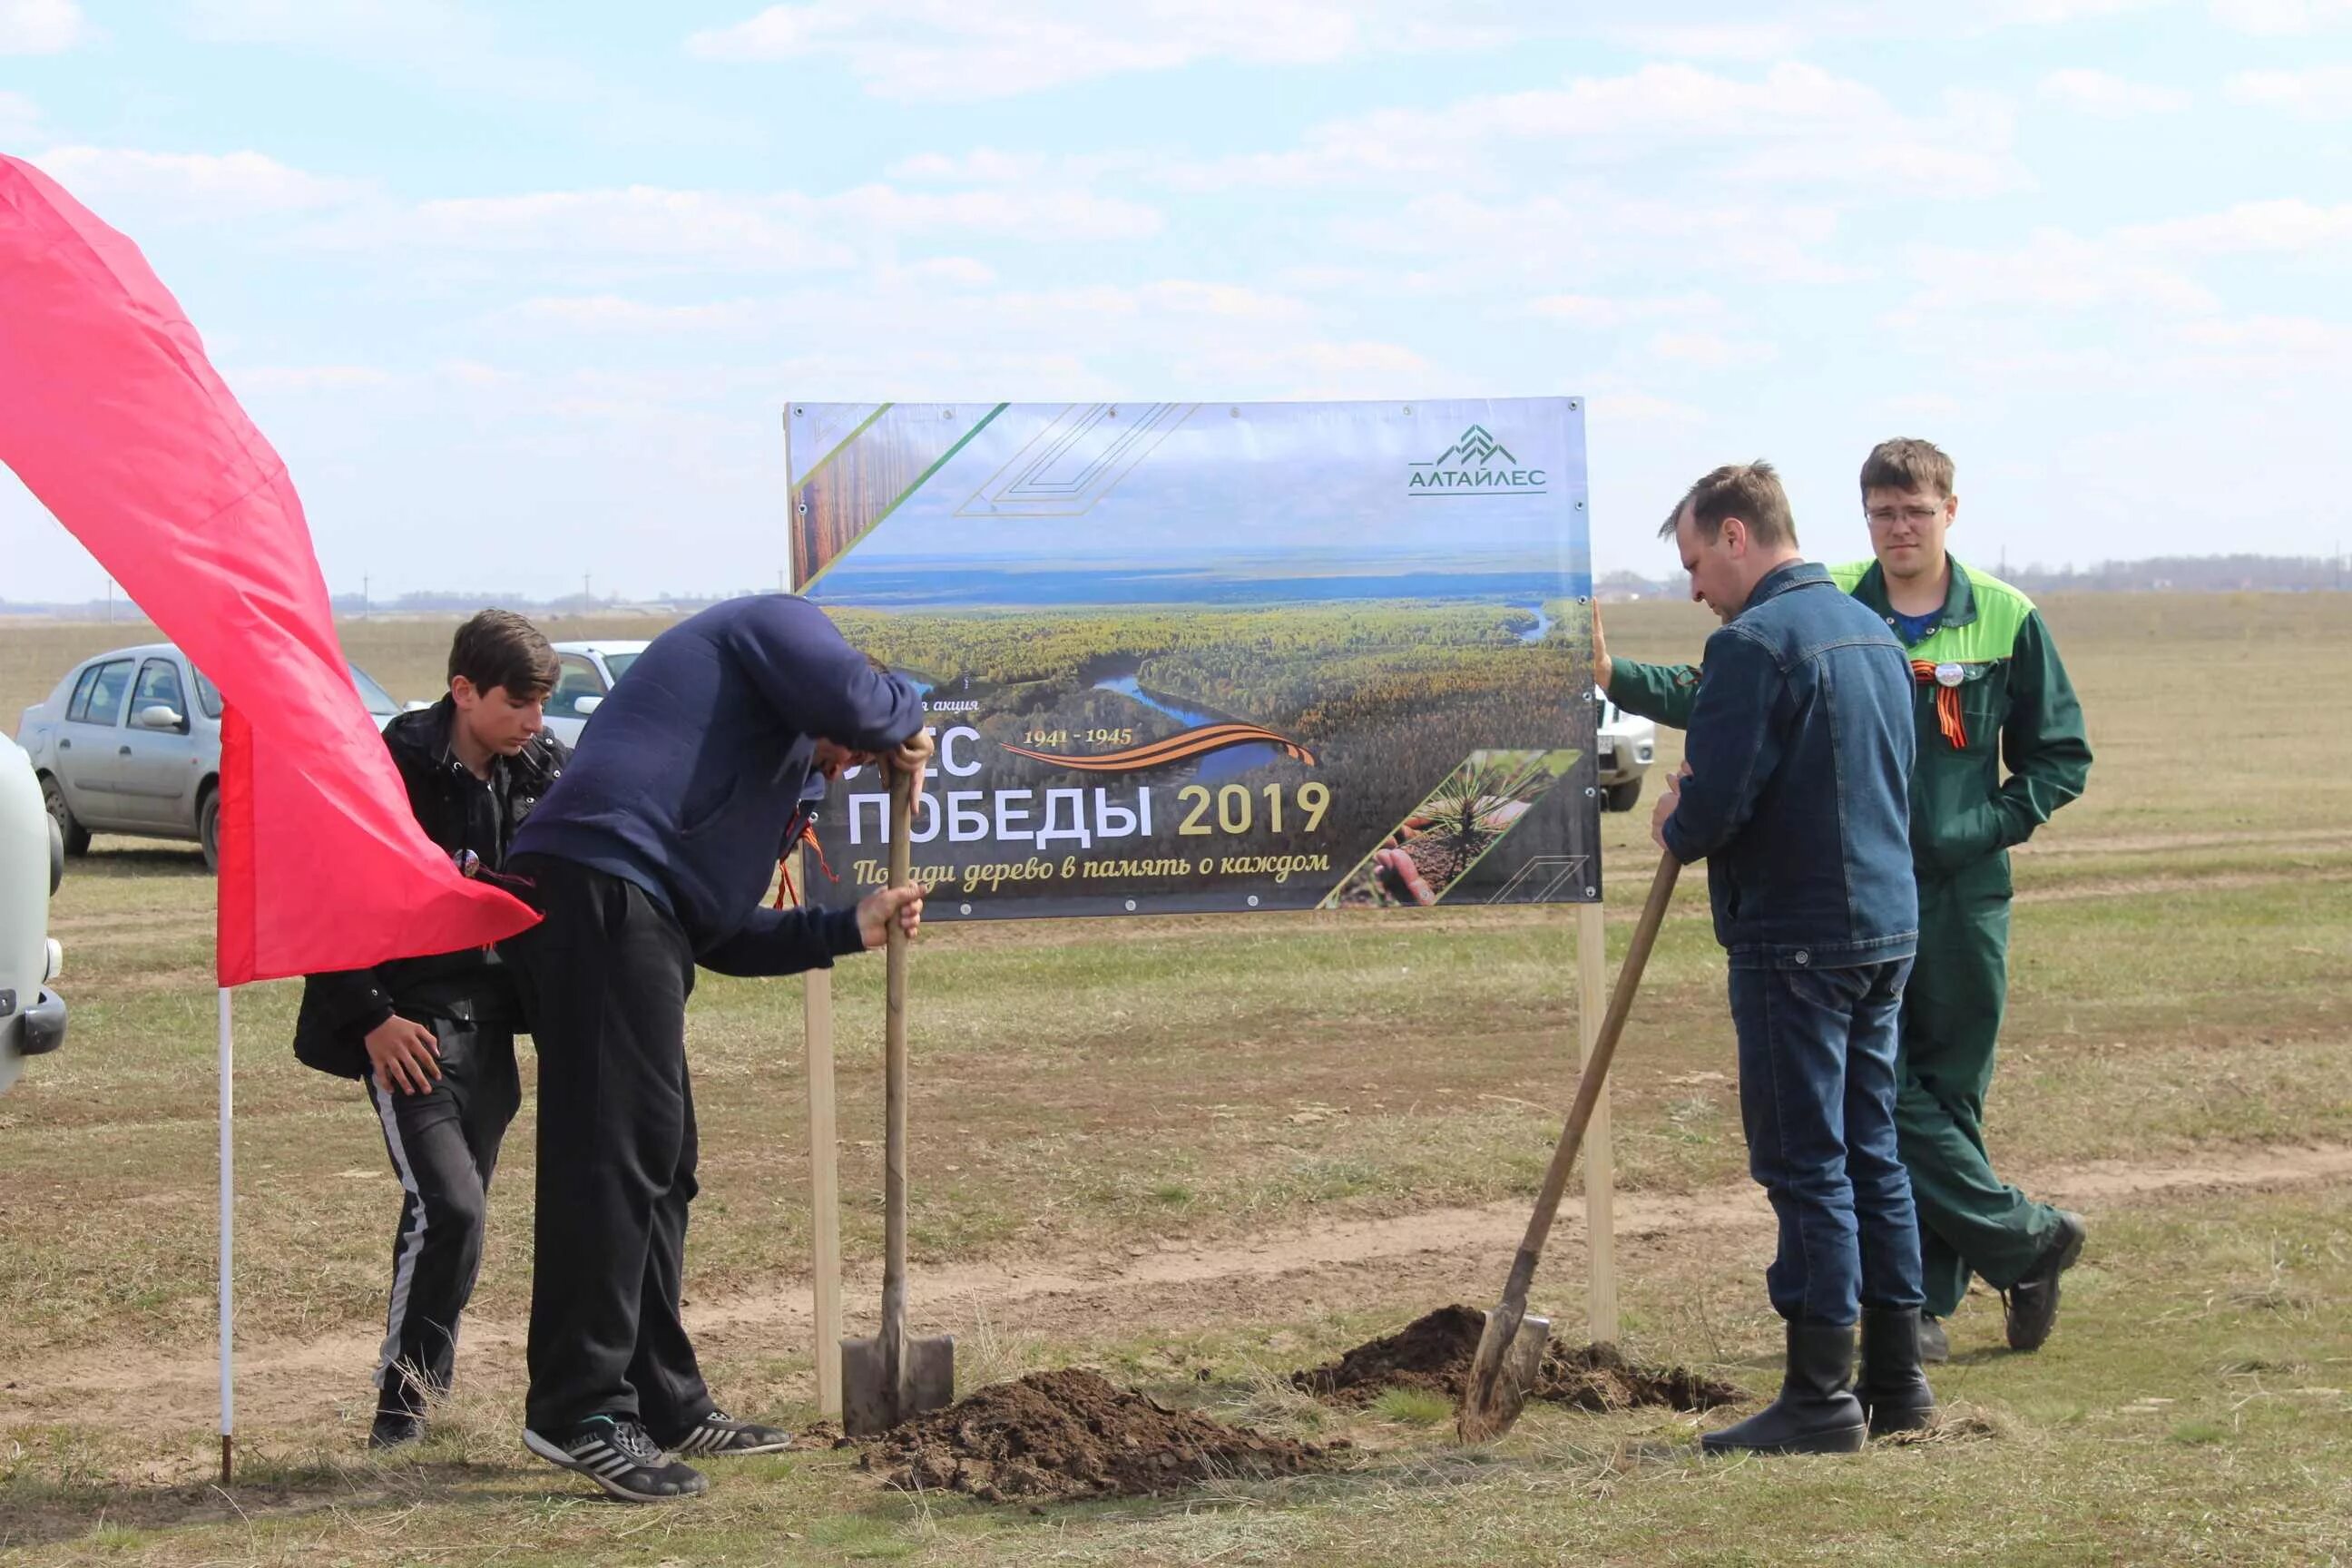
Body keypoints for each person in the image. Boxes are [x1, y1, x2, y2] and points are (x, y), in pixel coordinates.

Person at [1604, 437, 2093, 1361]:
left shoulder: (2005, 618)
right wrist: (1613, 677)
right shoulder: (1842, 607)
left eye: (1916, 511)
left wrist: (1974, 829)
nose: (1898, 528)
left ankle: (1941, 1293)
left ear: (1950, 512)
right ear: (1863, 517)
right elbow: (1721, 692)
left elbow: (2059, 759)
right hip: (1858, 886)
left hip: (1956, 895)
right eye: (1882, 512)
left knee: (1939, 1097)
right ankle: (1989, 1268)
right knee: (1884, 1105)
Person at [498, 593, 931, 1504]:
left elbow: (718, 930)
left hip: (638, 905)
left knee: (662, 1158)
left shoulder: (775, 774)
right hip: (595, 880)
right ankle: (580, 1408)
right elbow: (862, 703)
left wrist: (847, 928)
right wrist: (909, 717)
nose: (853, 762)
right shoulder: (776, 623)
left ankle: (661, 1398)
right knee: (614, 1153)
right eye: (855, 749)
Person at [1640, 462, 1933, 1455]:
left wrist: (1676, 814)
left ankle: (1818, 1398)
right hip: (1884, 928)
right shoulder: (1874, 632)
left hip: (1796, 938)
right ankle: (1898, 1382)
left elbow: (1711, 813)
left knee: (1806, 1163)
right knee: (1871, 1151)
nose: (1694, 589)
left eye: (1694, 563)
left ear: (1736, 535)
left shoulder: (1752, 645)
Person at [293, 609, 569, 1450]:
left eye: (542, 703)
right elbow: (322, 897)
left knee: (463, 1217)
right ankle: (399, 1419)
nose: (535, 722)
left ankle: (422, 1393)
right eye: (518, 703)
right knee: (448, 1205)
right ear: (463, 690)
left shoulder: (546, 768)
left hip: (494, 1031)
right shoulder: (387, 766)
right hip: (407, 1028)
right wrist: (372, 1019)